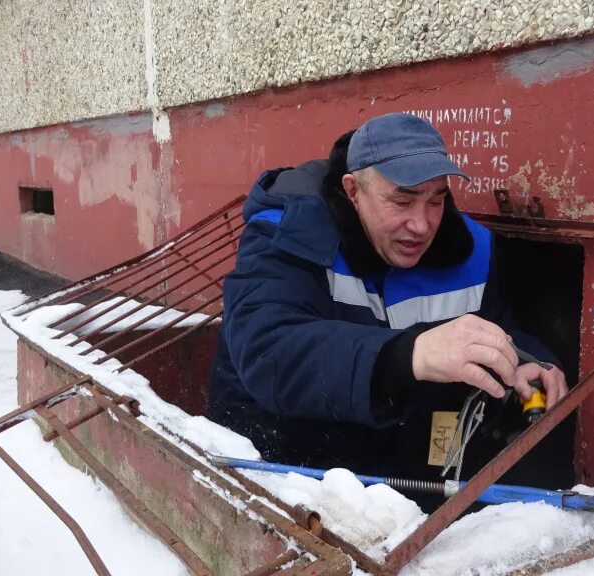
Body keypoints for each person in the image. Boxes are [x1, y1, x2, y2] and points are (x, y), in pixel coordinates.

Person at [207, 113, 571, 501]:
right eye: (402, 200)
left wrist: (522, 361)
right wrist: (408, 354)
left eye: (436, 200)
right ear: (353, 191)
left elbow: (494, 324)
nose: (422, 225)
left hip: (397, 476)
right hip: (279, 470)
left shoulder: (470, 251)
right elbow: (268, 350)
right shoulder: (285, 232)